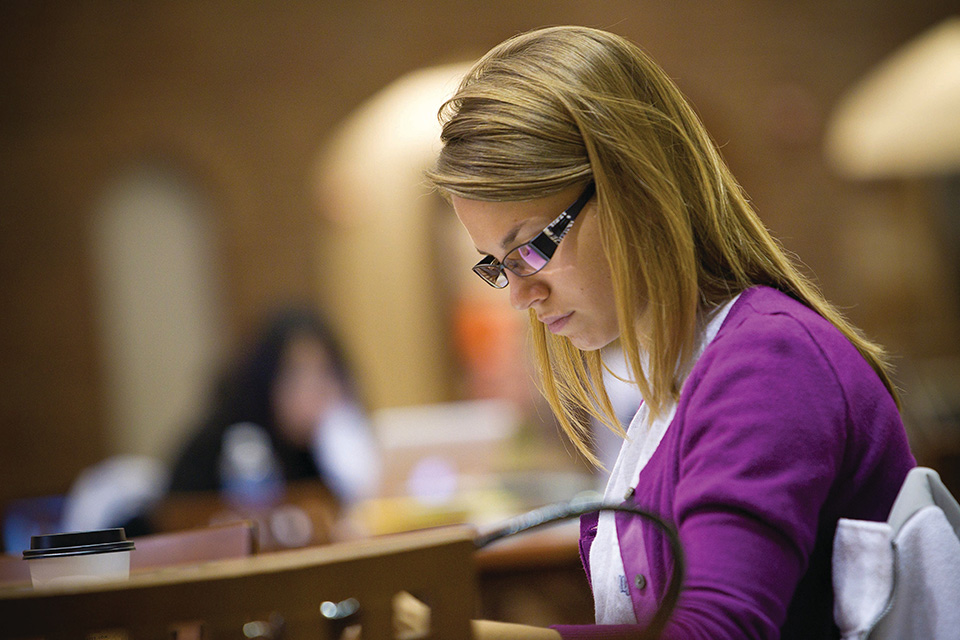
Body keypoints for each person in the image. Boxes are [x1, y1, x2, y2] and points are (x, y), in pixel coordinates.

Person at [410, 25, 916, 640]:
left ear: (635, 187)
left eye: (532, 248)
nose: (519, 294)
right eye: (497, 264)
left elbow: (713, 633)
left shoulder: (769, 359)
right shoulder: (676, 373)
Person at [167, 306, 380, 509]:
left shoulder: (330, 449)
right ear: (266, 380)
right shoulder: (222, 443)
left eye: (325, 373)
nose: (315, 391)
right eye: (296, 375)